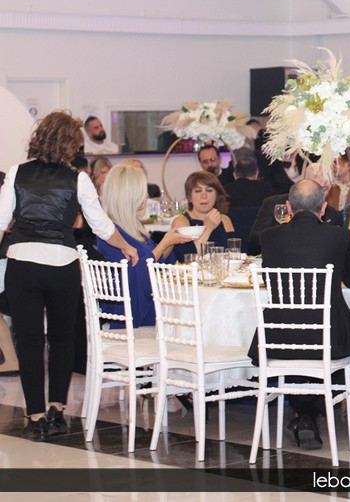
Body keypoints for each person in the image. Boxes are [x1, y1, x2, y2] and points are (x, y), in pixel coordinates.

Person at [0, 110, 138, 441]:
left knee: (29, 342)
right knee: (62, 338)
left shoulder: (17, 172)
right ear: (71, 144)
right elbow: (101, 226)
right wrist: (127, 246)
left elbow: (0, 221)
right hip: (62, 264)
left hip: (22, 265)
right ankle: (57, 411)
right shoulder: (78, 178)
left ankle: (34, 417)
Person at [246, 179, 350, 450]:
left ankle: (305, 415)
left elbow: (271, 281)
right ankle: (313, 410)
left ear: (289, 207)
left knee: (301, 361)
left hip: (279, 338)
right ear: (323, 208)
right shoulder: (338, 236)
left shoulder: (269, 237)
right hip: (328, 338)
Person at [97, 165, 191, 328]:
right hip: (132, 312)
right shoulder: (111, 235)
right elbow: (137, 275)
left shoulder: (132, 227)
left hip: (146, 303)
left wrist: (173, 237)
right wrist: (165, 242)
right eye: (142, 191)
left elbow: (156, 260)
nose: (146, 195)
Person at [247, 163, 343, 255]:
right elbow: (253, 245)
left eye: (324, 189)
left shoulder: (333, 215)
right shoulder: (274, 204)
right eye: (313, 186)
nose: (317, 193)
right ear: (301, 182)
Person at [171, 171, 235, 262]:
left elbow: (233, 255)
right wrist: (207, 228)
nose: (204, 196)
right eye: (198, 191)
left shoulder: (224, 219)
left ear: (217, 195)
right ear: (189, 197)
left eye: (209, 190)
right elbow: (185, 259)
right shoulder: (181, 221)